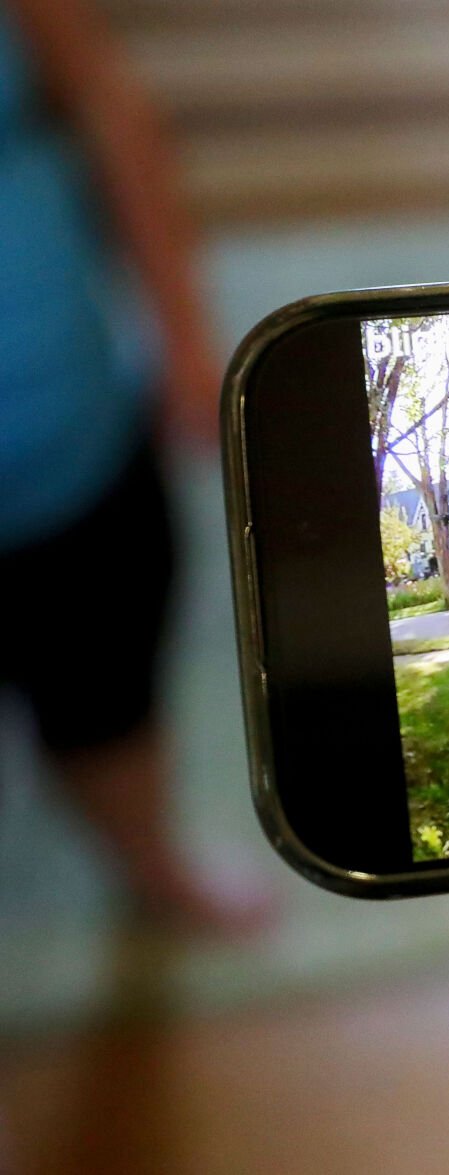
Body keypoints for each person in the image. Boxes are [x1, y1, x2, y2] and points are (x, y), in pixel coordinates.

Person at [0, 0, 271, 933]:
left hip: (67, 417)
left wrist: (184, 336)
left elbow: (106, 103)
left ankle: (149, 863)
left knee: (106, 674)